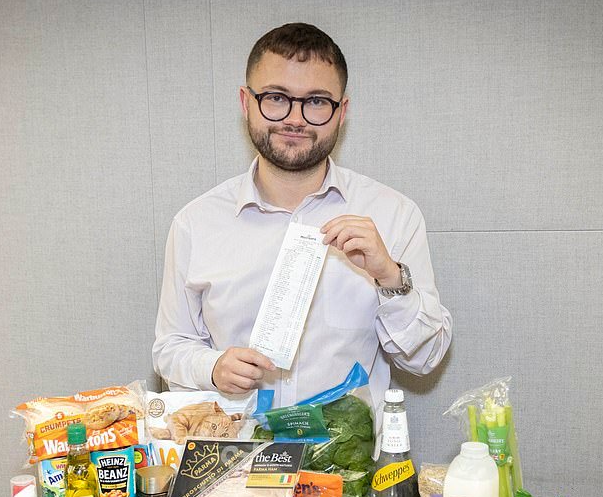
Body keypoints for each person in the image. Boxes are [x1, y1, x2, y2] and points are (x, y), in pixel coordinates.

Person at [153, 22, 452, 413]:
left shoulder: (393, 215)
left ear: (342, 112)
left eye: (316, 101)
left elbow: (425, 359)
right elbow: (170, 347)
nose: (295, 119)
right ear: (245, 102)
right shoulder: (195, 223)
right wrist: (211, 367)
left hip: (350, 450)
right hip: (235, 449)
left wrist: (390, 277)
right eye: (276, 98)